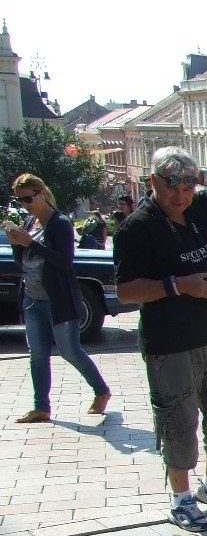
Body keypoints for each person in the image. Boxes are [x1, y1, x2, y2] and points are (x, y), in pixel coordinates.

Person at [114, 146, 207, 533]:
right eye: (171, 188)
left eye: (187, 188)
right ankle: (180, 500)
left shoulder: (200, 205)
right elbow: (126, 290)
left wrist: (203, 176)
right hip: (170, 344)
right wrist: (179, 285)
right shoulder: (138, 227)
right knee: (178, 421)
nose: (180, 197)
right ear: (153, 183)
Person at [5, 173, 112, 425]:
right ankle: (41, 407)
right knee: (38, 355)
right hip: (32, 299)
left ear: (42, 193)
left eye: (29, 198)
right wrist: (17, 243)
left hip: (59, 300)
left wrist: (30, 242)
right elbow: (22, 263)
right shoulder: (31, 222)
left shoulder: (60, 223)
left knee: (69, 351)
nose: (25, 204)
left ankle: (101, 390)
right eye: (20, 200)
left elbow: (64, 261)